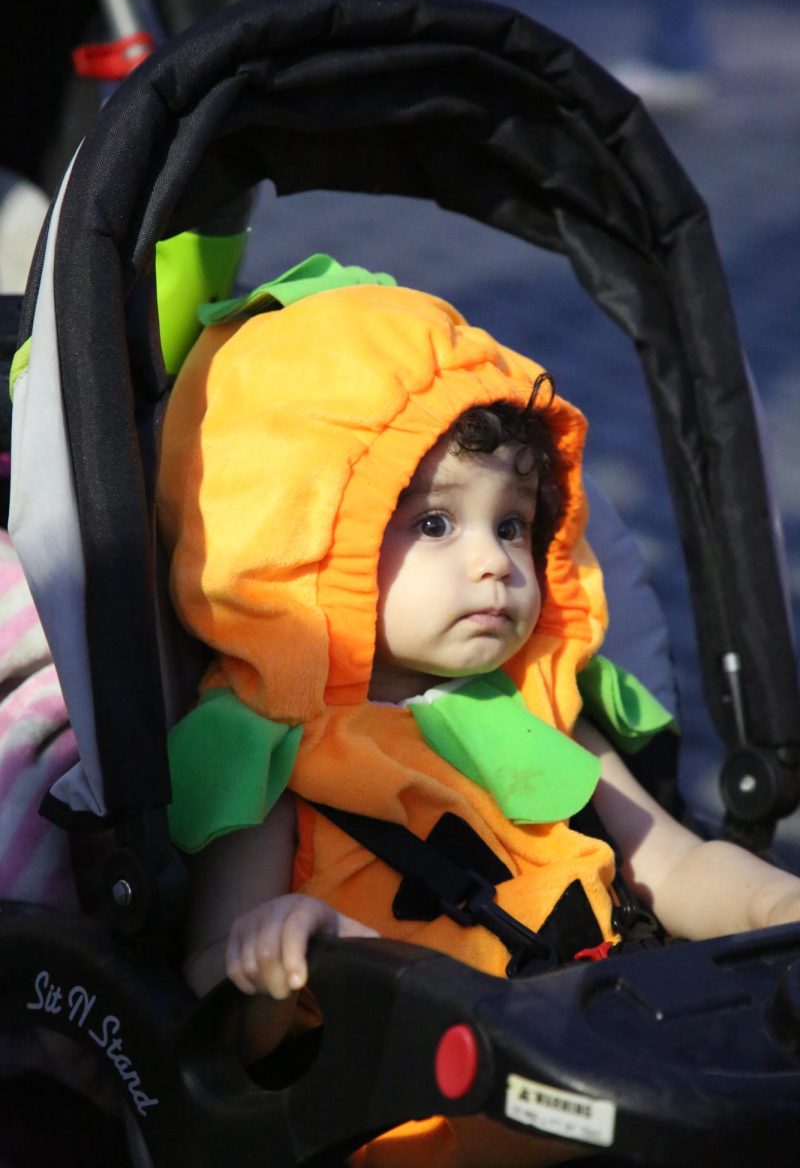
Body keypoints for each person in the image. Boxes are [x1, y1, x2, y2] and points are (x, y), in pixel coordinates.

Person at [157, 272, 800, 1167]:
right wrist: (267, 961)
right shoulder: (274, 755)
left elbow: (674, 863)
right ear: (306, 542)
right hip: (414, 1126)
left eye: (512, 526)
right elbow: (215, 1021)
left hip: (609, 1081)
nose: (495, 564)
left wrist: (778, 903)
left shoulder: (539, 709)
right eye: (432, 525)